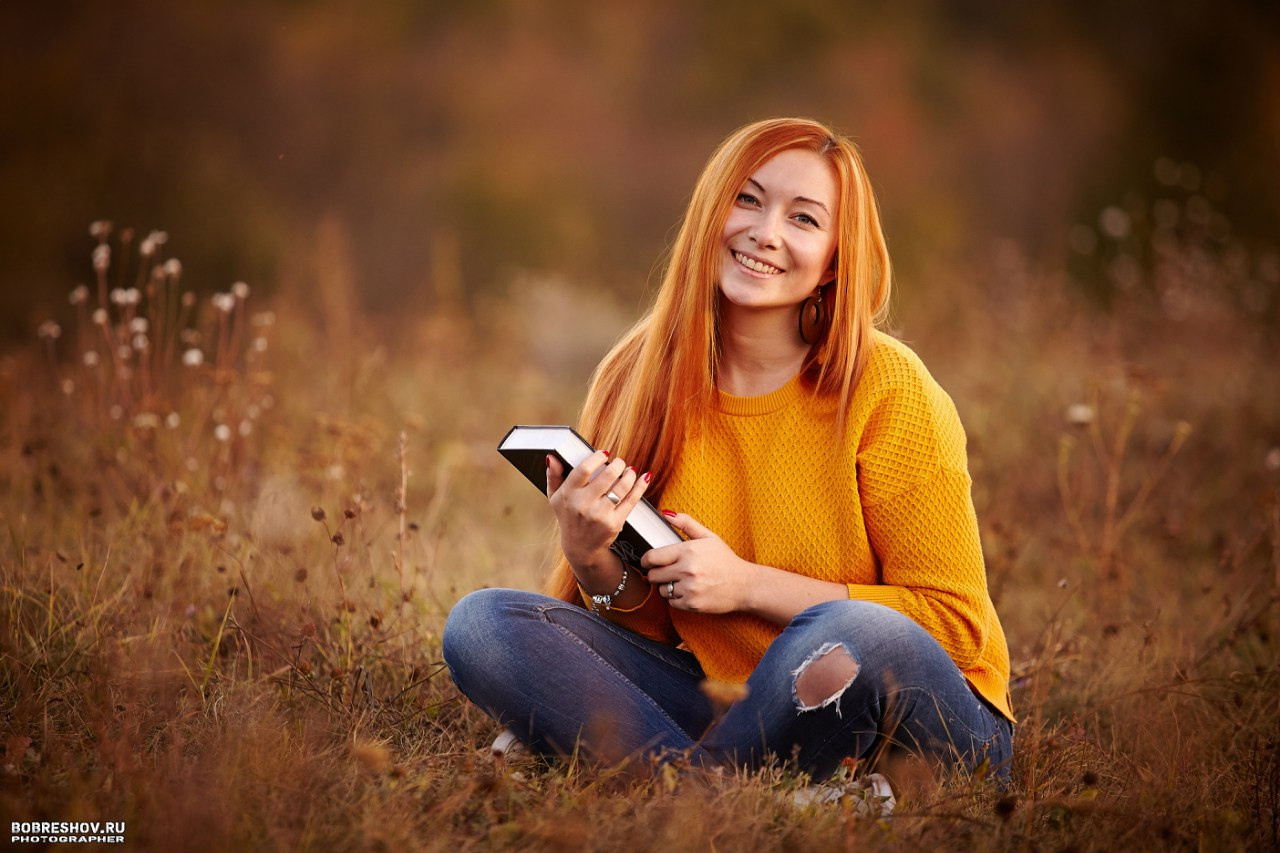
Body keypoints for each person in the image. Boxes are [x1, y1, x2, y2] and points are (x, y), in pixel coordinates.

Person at [443, 117, 1014, 786]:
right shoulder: (637, 372)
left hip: (918, 722)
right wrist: (592, 557)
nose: (765, 231)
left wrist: (745, 583)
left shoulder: (890, 387)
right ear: (710, 211)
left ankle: (670, 783)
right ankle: (731, 791)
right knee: (484, 623)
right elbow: (652, 631)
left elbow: (954, 627)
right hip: (729, 702)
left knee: (854, 631)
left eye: (803, 219)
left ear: (835, 256)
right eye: (747, 199)